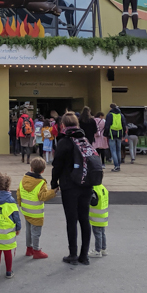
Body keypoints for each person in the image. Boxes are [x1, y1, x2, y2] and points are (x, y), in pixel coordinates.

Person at [52, 112, 95, 265]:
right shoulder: (85, 139)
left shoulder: (64, 141)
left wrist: (53, 182)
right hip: (86, 184)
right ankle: (85, 255)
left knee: (72, 220)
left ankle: (73, 254)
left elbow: (57, 164)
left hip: (69, 185)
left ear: (62, 125)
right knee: (84, 218)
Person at [17, 156, 57, 260]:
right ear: (43, 171)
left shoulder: (24, 179)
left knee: (29, 230)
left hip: (26, 210)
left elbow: (18, 193)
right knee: (36, 232)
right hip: (36, 212)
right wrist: (53, 192)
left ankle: (29, 248)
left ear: (31, 168)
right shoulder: (41, 183)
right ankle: (36, 250)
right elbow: (43, 196)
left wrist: (20, 204)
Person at [88, 183, 109, 258]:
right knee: (102, 233)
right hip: (104, 214)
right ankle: (104, 248)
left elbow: (93, 202)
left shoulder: (94, 189)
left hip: (96, 216)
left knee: (97, 234)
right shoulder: (103, 187)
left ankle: (97, 251)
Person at [103, 103, 126, 172]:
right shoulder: (121, 115)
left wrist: (105, 134)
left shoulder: (109, 115)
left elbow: (107, 126)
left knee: (113, 150)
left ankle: (116, 166)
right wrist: (123, 135)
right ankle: (118, 164)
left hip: (111, 134)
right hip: (119, 134)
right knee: (118, 150)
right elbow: (124, 125)